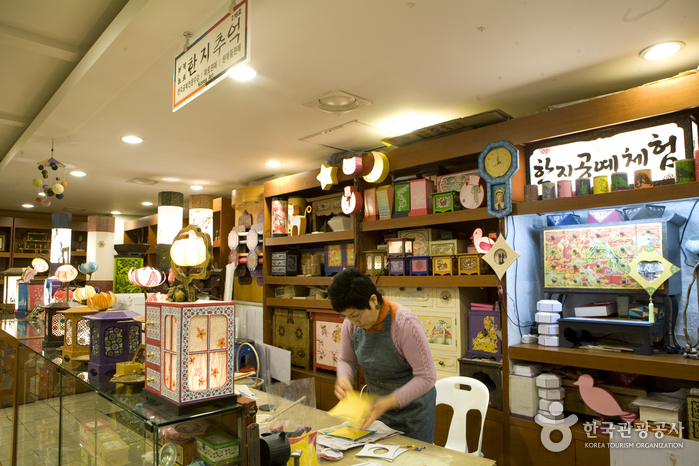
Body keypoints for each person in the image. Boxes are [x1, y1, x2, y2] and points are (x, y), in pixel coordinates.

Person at [327, 267, 437, 442]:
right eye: (347, 316)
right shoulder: (351, 324)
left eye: (356, 315)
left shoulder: (404, 324)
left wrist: (390, 401)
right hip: (377, 409)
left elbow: (427, 377)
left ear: (373, 300)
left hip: (413, 412)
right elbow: (346, 359)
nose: (353, 322)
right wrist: (344, 378)